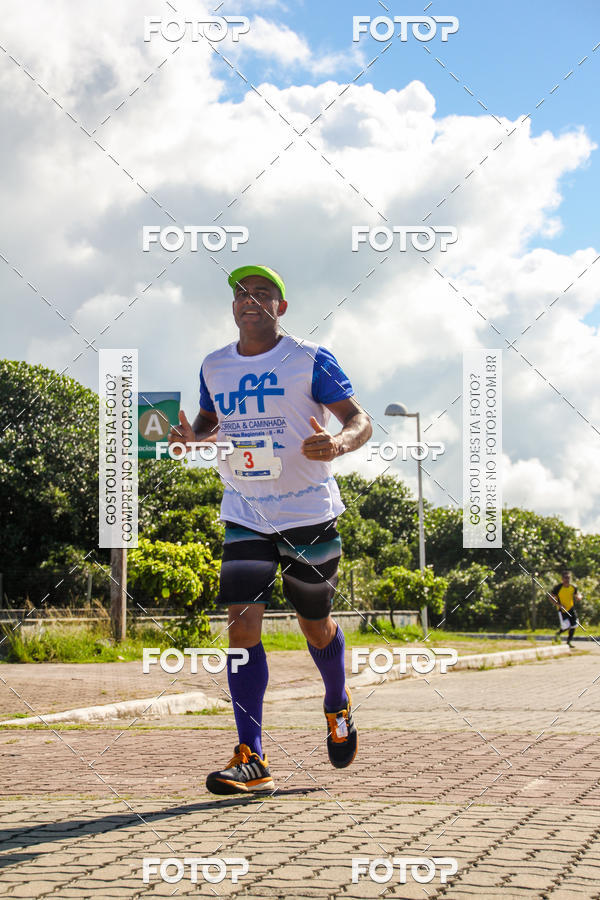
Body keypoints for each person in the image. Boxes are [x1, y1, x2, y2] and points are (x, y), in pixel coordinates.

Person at [168, 264, 372, 795]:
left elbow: (359, 418)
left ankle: (336, 702)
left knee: (314, 625)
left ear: (280, 308)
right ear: (232, 307)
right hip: (244, 511)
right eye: (241, 293)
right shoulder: (214, 365)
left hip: (308, 513)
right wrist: (194, 435)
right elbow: (212, 421)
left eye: (262, 293)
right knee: (240, 630)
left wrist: (339, 444)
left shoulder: (310, 358)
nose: (249, 300)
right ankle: (251, 755)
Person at [550, 570, 581, 647]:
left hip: (571, 609)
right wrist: (558, 604)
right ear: (562, 579)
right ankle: (558, 634)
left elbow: (577, 594)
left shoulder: (573, 587)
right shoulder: (558, 588)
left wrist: (579, 597)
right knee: (566, 626)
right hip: (562, 610)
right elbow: (551, 597)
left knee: (574, 625)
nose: (567, 579)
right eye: (566, 578)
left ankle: (569, 642)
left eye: (569, 578)